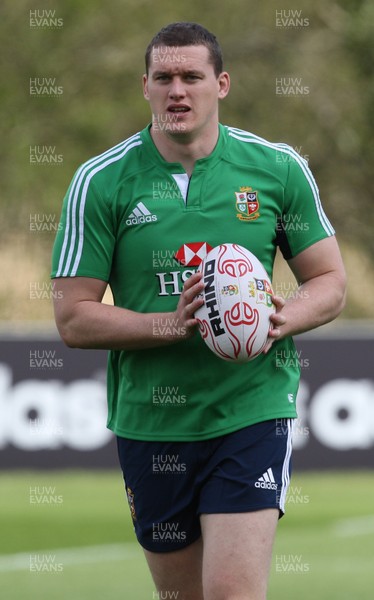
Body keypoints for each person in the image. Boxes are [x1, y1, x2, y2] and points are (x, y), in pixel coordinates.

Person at [51, 22, 346, 600]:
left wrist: (281, 319)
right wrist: (172, 323)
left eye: (192, 76)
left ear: (222, 84)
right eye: (163, 78)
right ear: (145, 87)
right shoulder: (101, 181)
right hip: (152, 423)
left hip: (251, 409)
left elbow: (330, 281)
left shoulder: (277, 168)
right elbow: (73, 317)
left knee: (234, 593)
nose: (177, 91)